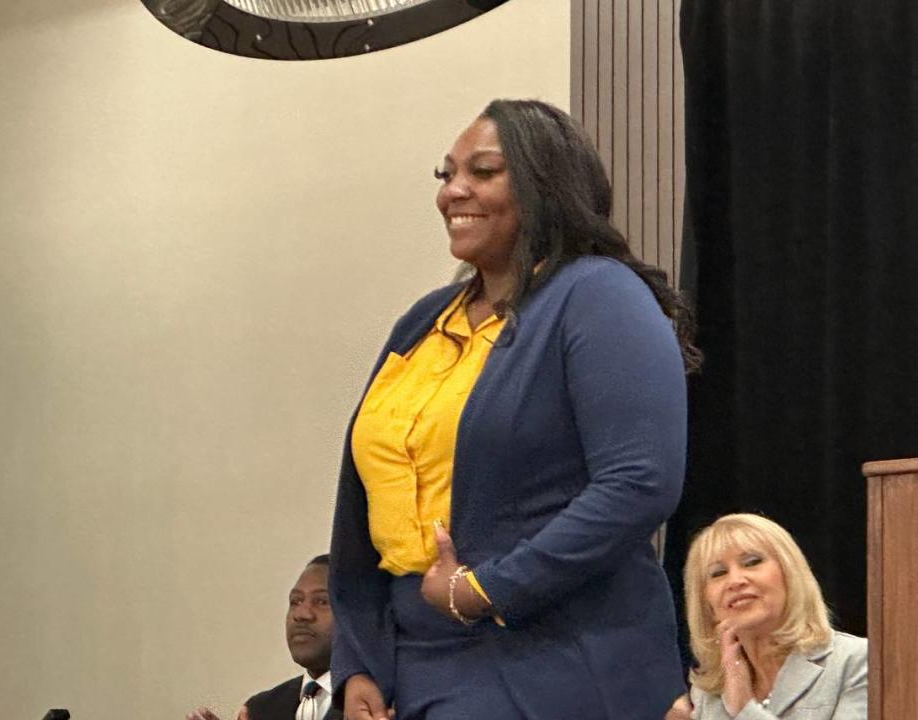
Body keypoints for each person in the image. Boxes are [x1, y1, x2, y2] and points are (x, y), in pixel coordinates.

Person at [329, 98, 700, 720]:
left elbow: (641, 482)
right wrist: (359, 660)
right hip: (412, 663)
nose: (455, 191)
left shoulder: (598, 295)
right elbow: (364, 507)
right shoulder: (422, 322)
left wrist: (487, 589)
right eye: (446, 174)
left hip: (555, 657)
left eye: (483, 171)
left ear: (543, 182)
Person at [675, 514, 867, 719]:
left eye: (752, 562)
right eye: (718, 573)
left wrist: (744, 709)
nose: (735, 581)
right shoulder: (709, 691)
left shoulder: (856, 661)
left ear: (790, 574)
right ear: (707, 605)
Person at [188, 555, 342, 720]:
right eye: (295, 601)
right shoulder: (260, 709)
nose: (301, 614)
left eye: (322, 601)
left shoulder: (370, 701)